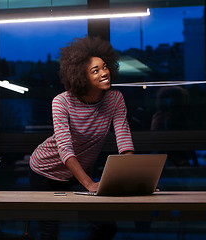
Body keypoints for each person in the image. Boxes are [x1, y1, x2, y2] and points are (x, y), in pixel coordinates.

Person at [29, 36, 134, 240]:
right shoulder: (61, 101)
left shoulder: (115, 99)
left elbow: (124, 141)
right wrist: (91, 185)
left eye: (104, 67)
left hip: (77, 176)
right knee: (49, 232)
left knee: (106, 226)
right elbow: (65, 149)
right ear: (81, 77)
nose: (104, 73)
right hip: (44, 172)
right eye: (95, 71)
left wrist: (131, 180)